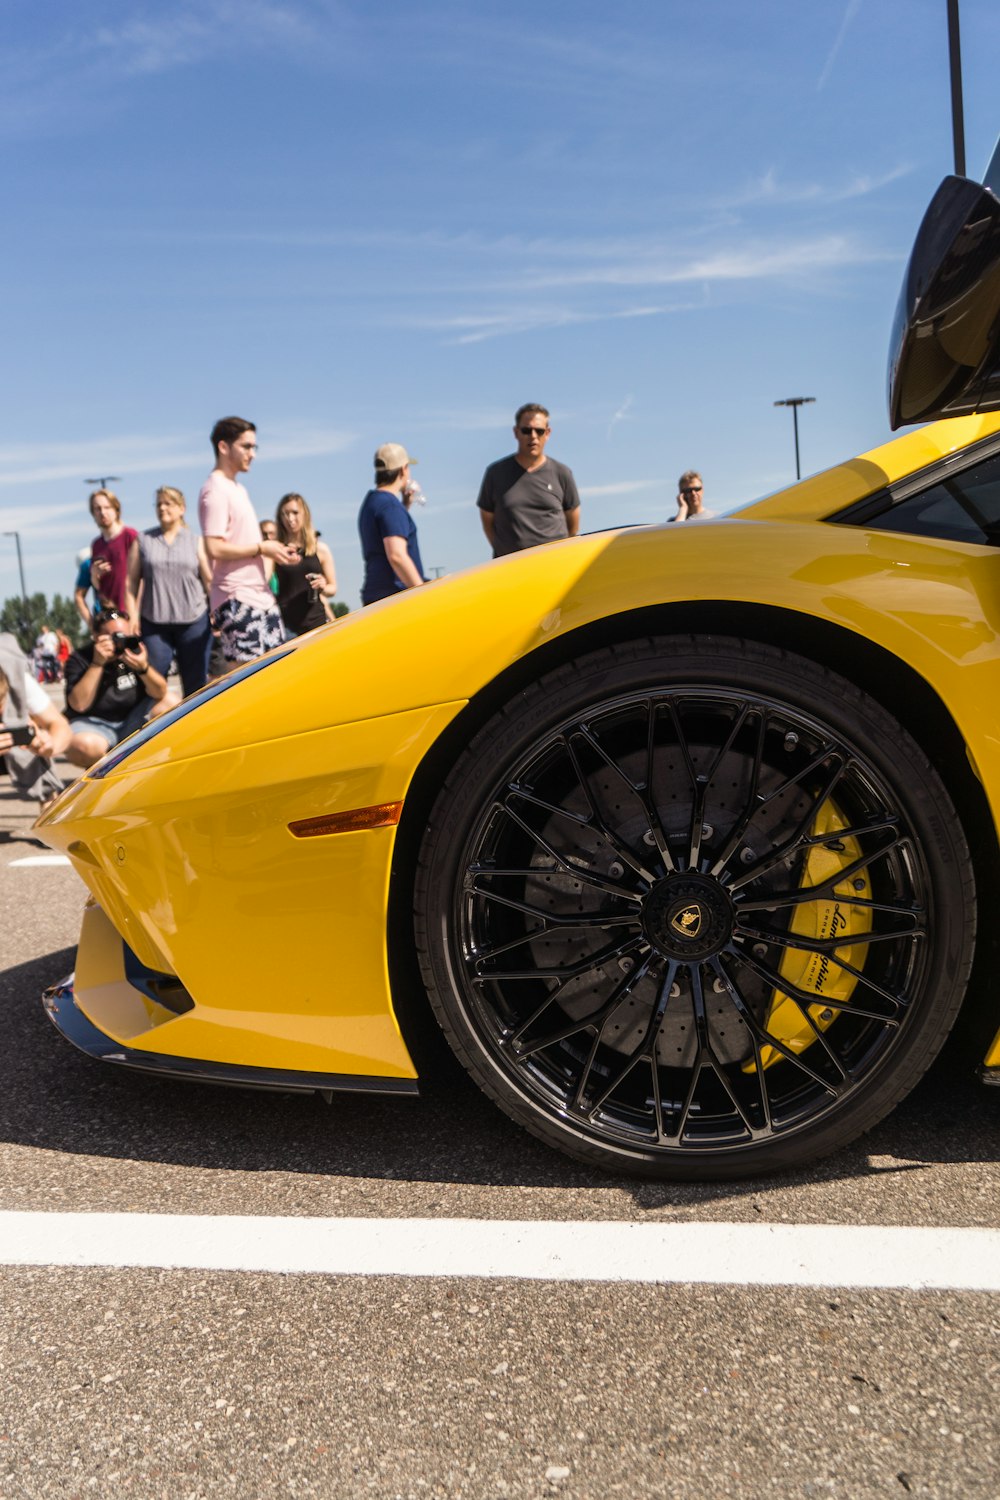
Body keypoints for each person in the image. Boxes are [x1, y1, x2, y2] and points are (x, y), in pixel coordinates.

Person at [197, 417, 297, 666]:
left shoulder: (238, 489)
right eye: (246, 446)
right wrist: (262, 548)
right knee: (250, 683)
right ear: (223, 447)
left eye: (254, 447)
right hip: (236, 598)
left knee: (279, 674)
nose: (252, 454)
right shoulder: (215, 491)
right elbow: (214, 547)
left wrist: (275, 551)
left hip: (261, 597)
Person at [64, 609, 179, 769]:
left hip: (131, 720)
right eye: (116, 637)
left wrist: (143, 668)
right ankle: (104, 773)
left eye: (126, 635)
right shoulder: (81, 658)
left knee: (171, 702)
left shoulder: (135, 649)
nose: (122, 642)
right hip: (95, 725)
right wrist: (98, 663)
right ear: (97, 636)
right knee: (83, 745)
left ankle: (147, 763)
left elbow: (160, 692)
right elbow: (79, 704)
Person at [129, 486, 213, 698]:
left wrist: (217, 612)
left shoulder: (196, 541)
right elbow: (130, 583)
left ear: (181, 508)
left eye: (168, 503)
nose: (162, 508)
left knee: (196, 685)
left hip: (194, 619)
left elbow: (208, 580)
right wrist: (132, 617)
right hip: (154, 621)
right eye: (159, 504)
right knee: (153, 681)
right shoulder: (143, 540)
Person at [477, 403, 581, 557]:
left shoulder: (562, 473)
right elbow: (487, 522)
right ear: (516, 432)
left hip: (556, 565)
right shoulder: (495, 474)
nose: (533, 436)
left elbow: (573, 525)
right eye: (526, 430)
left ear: (547, 433)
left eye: (539, 431)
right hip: (510, 569)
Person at [0, 634, 71, 805]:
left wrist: (49, 745)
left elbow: (60, 725)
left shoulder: (16, 675)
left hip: (10, 747)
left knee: (32, 738)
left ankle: (48, 801)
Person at [358, 444, 426, 605]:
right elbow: (396, 555)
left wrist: (404, 506)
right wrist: (422, 593)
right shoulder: (390, 506)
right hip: (395, 596)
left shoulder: (372, 501)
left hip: (376, 594)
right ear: (403, 470)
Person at [273, 493, 337, 635]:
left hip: (317, 624)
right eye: (285, 514)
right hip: (287, 628)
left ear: (305, 514)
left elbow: (333, 588)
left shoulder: (320, 549)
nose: (290, 518)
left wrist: (323, 586)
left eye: (295, 513)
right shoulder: (276, 549)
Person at [85, 489, 139, 627]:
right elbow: (98, 588)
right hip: (113, 614)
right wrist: (94, 577)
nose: (103, 512)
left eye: (107, 507)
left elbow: (143, 578)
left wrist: (135, 616)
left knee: (135, 647)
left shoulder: (130, 536)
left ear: (116, 509)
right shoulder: (96, 545)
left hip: (134, 612)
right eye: (97, 509)